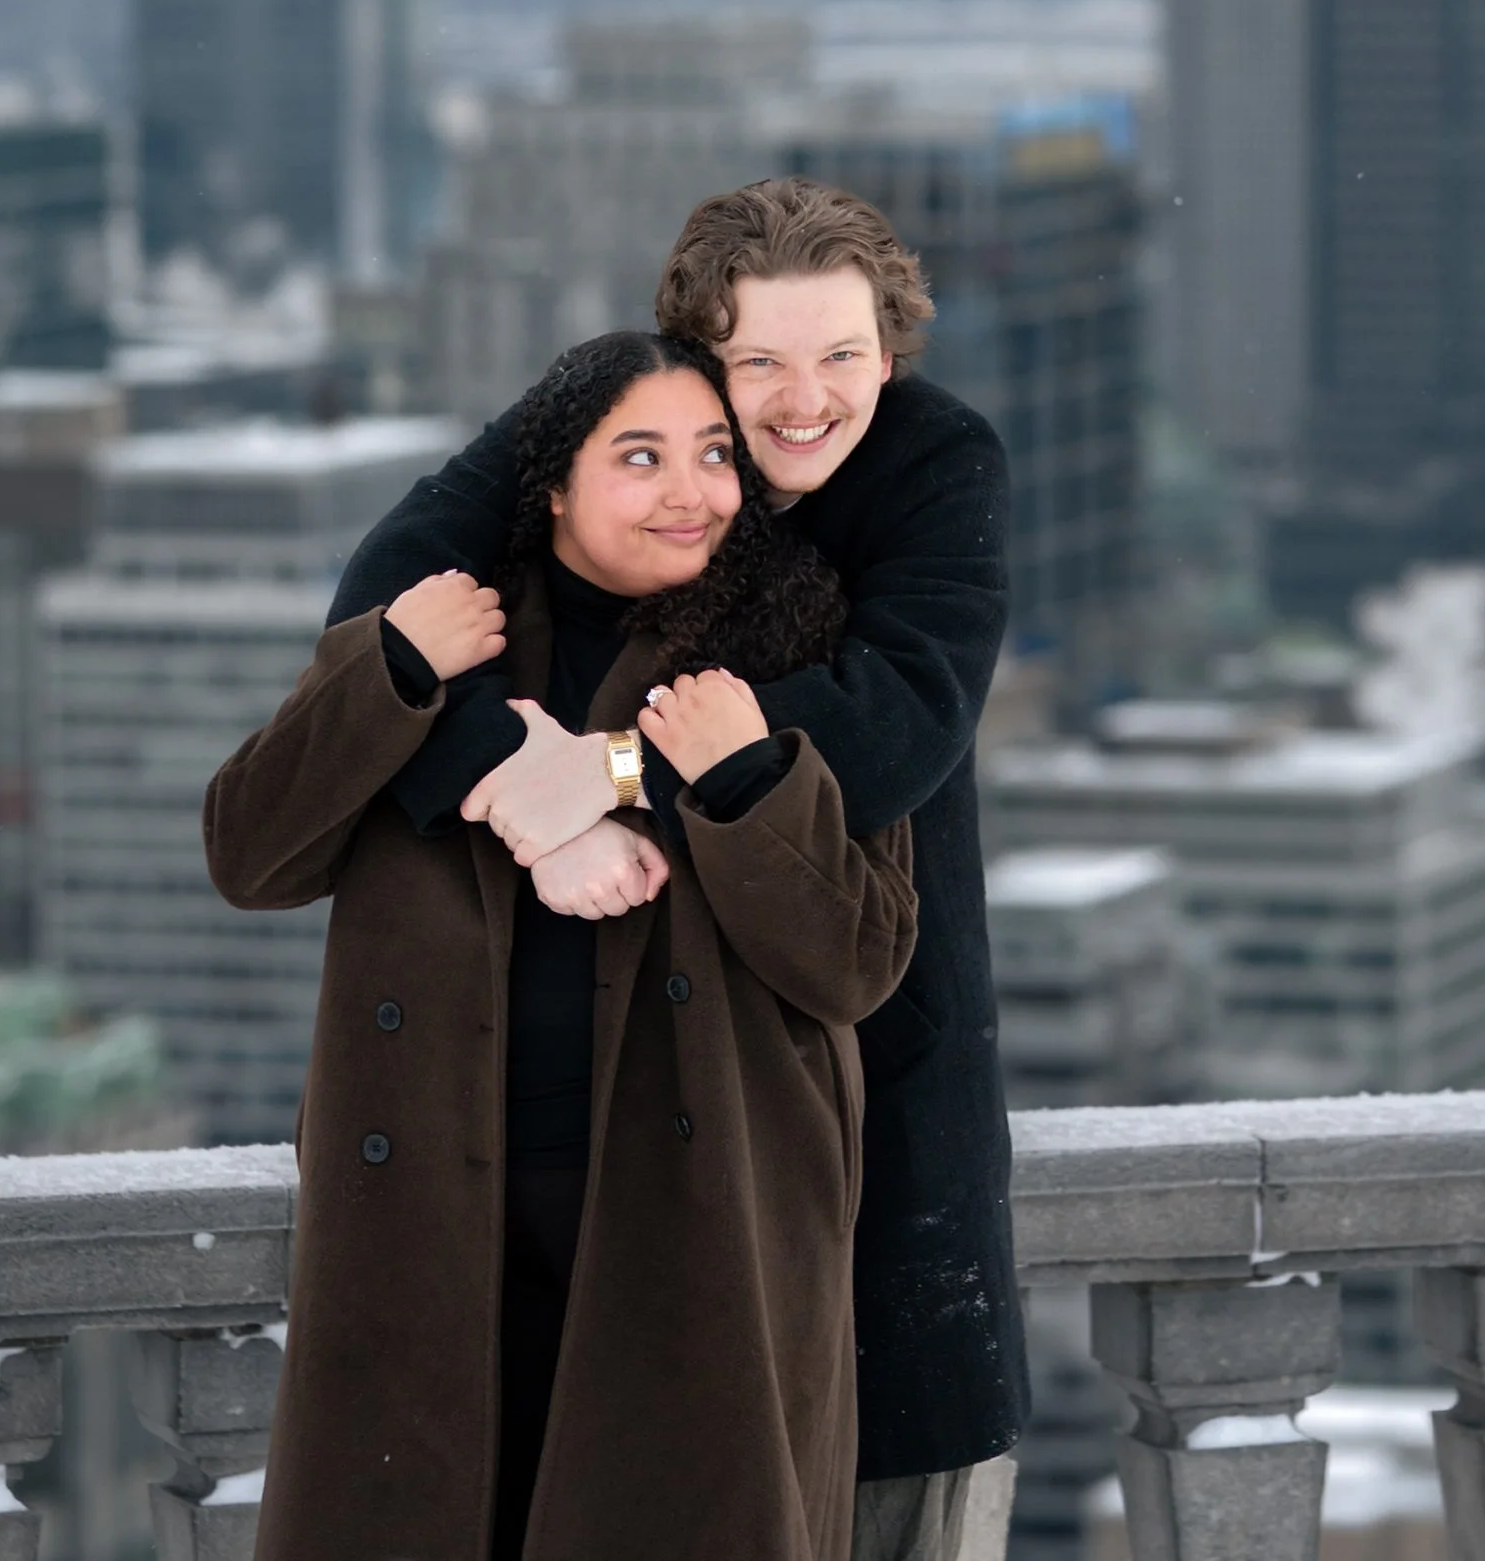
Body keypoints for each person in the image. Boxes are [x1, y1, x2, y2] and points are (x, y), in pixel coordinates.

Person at [331, 178, 1029, 1561]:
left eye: (841, 356)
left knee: (892, 1454)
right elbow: (376, 619)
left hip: (873, 1027)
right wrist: (520, 791)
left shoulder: (941, 462)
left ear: (892, 349)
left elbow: (894, 733)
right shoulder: (618, 426)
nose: (801, 402)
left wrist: (598, 774)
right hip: (623, 1096)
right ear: (701, 351)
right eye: (759, 360)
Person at [206, 328, 916, 1561]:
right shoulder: (439, 648)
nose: (688, 492)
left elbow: (855, 961)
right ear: (550, 487)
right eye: (638, 456)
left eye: (711, 455)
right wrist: (389, 668)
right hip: (428, 1217)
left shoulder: (787, 664)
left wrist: (742, 781)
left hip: (692, 1223)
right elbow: (251, 852)